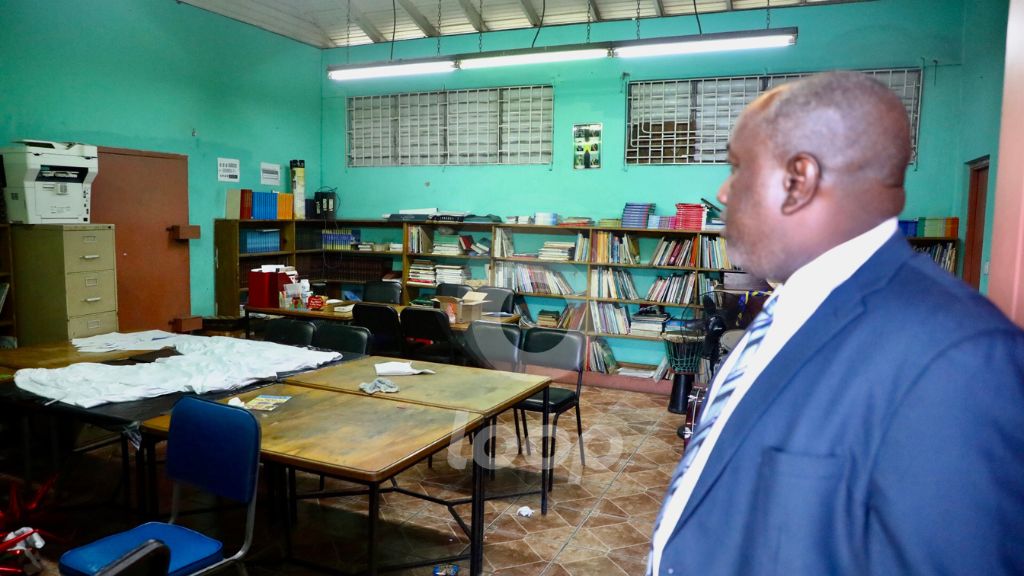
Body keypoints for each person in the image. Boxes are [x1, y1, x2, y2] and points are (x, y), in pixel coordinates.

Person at [649, 71, 1024, 575]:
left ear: (799, 180)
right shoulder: (787, 308)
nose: (723, 189)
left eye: (737, 168)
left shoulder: (958, 360)